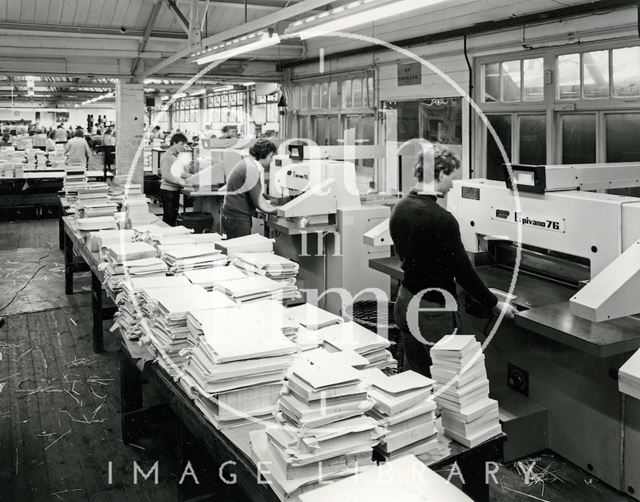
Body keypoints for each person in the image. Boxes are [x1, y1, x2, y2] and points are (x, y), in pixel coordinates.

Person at [390, 144, 516, 378]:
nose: (452, 184)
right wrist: (495, 304)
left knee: (416, 375)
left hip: (405, 300)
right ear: (438, 174)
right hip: (432, 313)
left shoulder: (400, 208)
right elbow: (463, 272)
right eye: (451, 177)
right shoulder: (442, 219)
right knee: (448, 382)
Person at [222, 139, 278, 239]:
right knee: (240, 250)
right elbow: (260, 203)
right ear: (262, 155)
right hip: (237, 219)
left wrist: (276, 200)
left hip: (232, 217)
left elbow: (257, 193)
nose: (272, 160)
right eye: (270, 156)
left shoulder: (248, 163)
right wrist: (281, 211)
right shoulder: (252, 169)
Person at [159, 133, 191, 226]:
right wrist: (180, 181)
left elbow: (179, 172)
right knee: (169, 219)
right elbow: (166, 175)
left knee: (172, 217)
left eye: (184, 144)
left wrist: (192, 176)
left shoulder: (175, 156)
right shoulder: (167, 156)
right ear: (174, 142)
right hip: (168, 191)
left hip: (173, 191)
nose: (183, 147)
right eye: (181, 144)